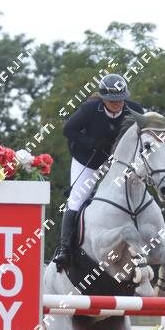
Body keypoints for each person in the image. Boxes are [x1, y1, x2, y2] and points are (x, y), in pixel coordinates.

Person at [53, 73, 144, 271]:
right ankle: (65, 249)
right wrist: (92, 143)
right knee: (77, 198)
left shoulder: (135, 110)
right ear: (103, 99)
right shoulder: (89, 110)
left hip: (118, 162)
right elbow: (68, 130)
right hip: (89, 159)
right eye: (112, 100)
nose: (118, 104)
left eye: (120, 99)